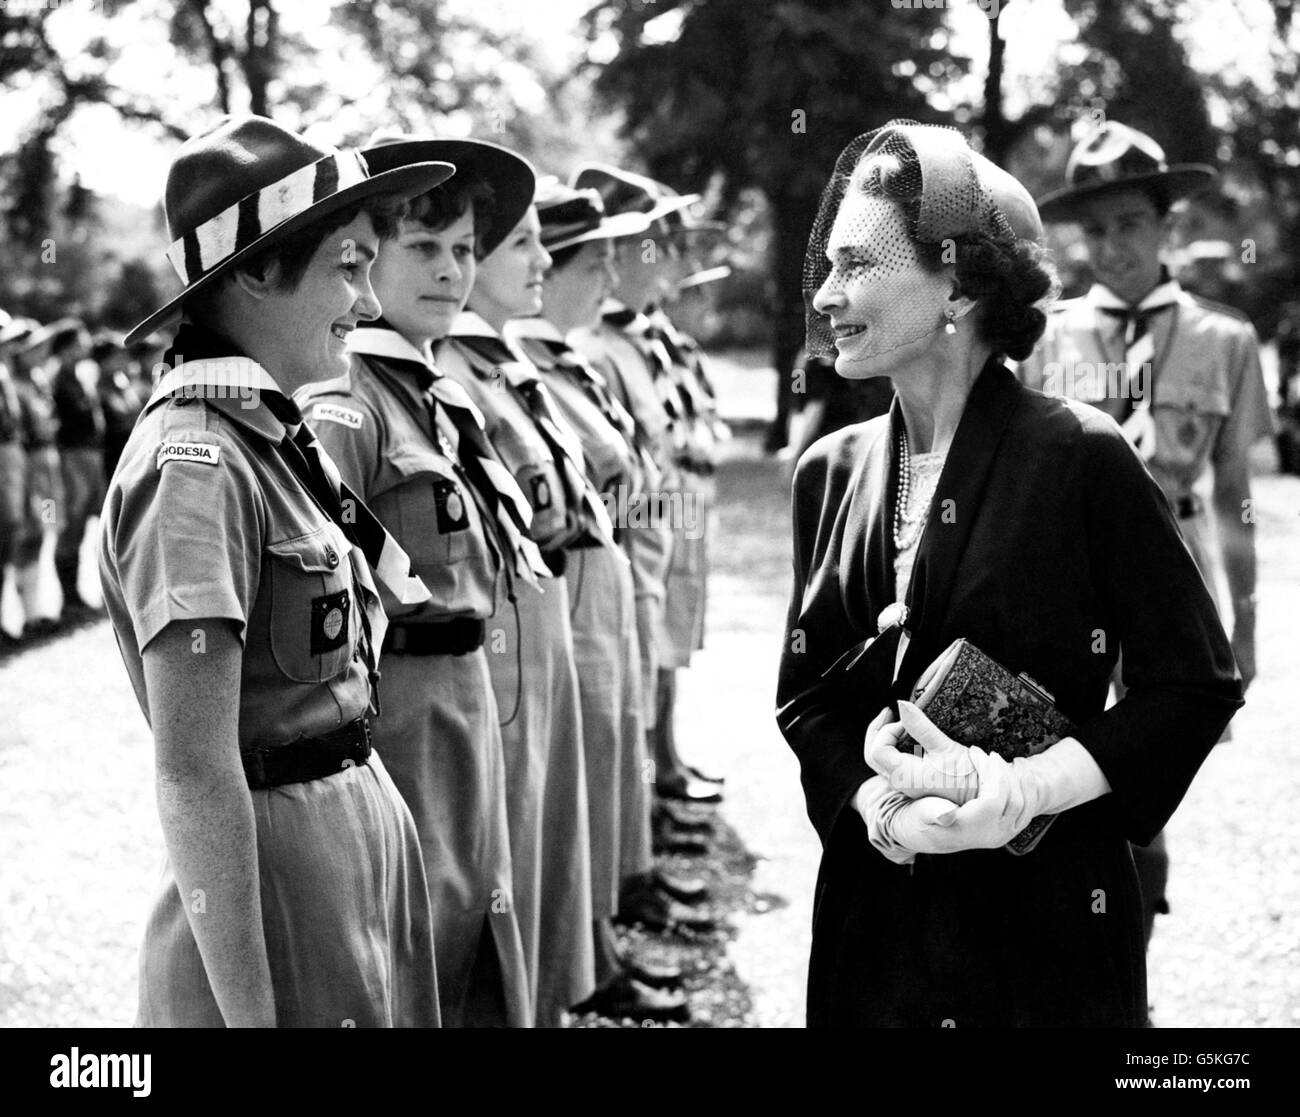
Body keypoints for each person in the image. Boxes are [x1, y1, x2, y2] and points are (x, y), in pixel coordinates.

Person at [776, 120, 1243, 1027]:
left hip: (1046, 926)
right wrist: (876, 805)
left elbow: (1192, 682)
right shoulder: (826, 470)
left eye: (858, 265)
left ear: (956, 279)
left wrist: (1031, 791)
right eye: (827, 267)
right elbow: (808, 697)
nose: (827, 294)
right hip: (877, 923)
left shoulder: (1079, 454)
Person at [97, 115, 453, 1026]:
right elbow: (194, 770)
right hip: (276, 880)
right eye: (348, 265)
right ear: (254, 271)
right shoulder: (195, 466)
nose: (369, 302)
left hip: (345, 850)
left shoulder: (270, 437)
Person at [300, 132, 537, 1028]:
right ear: (368, 259)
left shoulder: (428, 389)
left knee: (480, 902)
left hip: (467, 692)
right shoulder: (348, 395)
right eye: (424, 247)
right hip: (402, 704)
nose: (452, 270)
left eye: (467, 250)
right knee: (418, 922)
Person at [1017, 122, 1274, 947]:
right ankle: (1095, 957)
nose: (1111, 245)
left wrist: (1247, 621)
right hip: (1069, 581)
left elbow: (1234, 494)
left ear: (1168, 225)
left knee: (1144, 778)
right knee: (1066, 774)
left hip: (1177, 580)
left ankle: (1129, 960)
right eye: (1094, 229)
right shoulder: (1042, 338)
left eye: (1129, 223)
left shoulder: (1224, 339)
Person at [419, 136, 603, 1028]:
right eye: (521, 244)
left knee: (543, 834)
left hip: (531, 618)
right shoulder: (425, 375)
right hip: (479, 652)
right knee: (493, 867)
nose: (538, 260)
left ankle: (553, 998)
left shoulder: (479, 367)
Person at [507, 178, 694, 1022]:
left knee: (608, 756)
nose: (608, 273)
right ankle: (579, 962)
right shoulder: (520, 364)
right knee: (570, 783)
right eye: (600, 257)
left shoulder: (561, 361)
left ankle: (598, 950)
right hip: (567, 581)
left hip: (606, 568)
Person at [570, 162, 727, 815]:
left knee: (665, 651)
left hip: (667, 518)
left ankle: (655, 792)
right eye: (652, 242)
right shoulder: (596, 344)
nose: (668, 257)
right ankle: (646, 813)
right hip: (633, 534)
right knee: (635, 673)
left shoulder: (640, 339)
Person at [8, 319, 64, 636]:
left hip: (46, 462)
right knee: (28, 533)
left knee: (45, 529)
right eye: (34, 348)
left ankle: (39, 608)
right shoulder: (14, 385)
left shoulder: (40, 380)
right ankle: (28, 612)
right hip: (27, 462)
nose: (41, 353)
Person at [49, 319, 104, 615]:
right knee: (72, 523)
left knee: (86, 522)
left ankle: (79, 595)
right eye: (81, 340)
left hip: (90, 454)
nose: (86, 344)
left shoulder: (81, 376)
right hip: (71, 456)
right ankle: (68, 599)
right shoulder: (56, 378)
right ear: (69, 346)